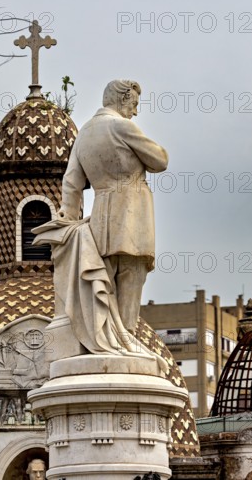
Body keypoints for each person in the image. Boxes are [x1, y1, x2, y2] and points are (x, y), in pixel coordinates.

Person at [58, 80, 168, 335]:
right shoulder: (122, 126)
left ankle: (105, 340)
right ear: (122, 99)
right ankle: (125, 342)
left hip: (99, 219)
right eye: (134, 104)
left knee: (104, 289)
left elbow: (71, 180)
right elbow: (160, 160)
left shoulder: (84, 133)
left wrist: (69, 214)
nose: (136, 111)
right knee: (131, 279)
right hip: (132, 216)